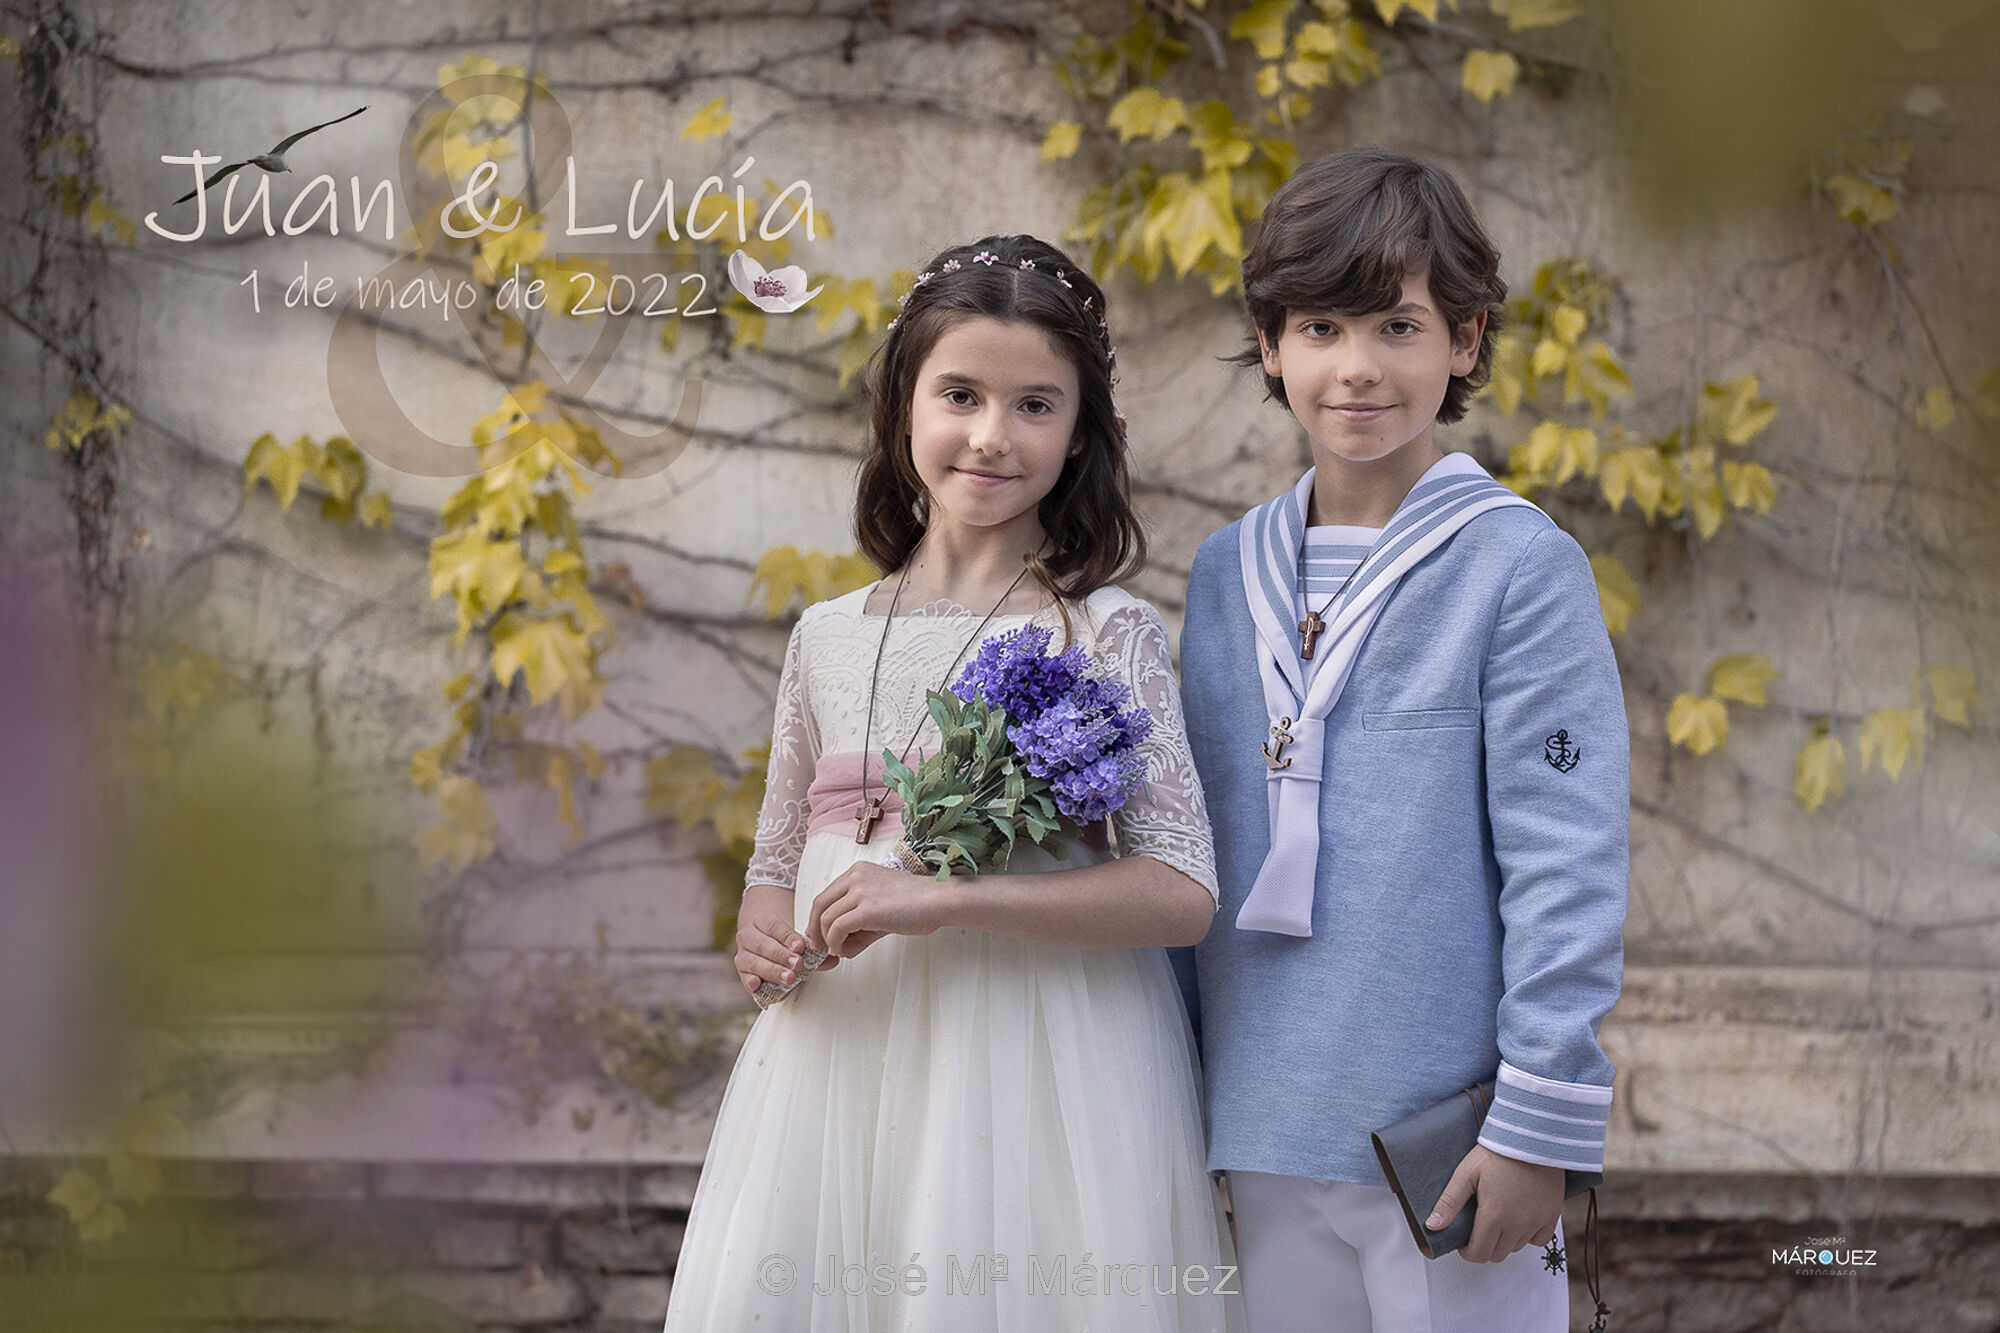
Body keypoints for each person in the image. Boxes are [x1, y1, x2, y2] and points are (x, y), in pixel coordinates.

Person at [662, 234, 1243, 1332]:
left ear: (1080, 436)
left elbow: (1180, 889)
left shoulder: (1101, 632)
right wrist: (762, 933)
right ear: (902, 409)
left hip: (1039, 1061)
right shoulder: (826, 636)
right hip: (839, 1068)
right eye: (960, 394)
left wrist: (945, 899)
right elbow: (777, 857)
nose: (990, 435)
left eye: (1034, 404)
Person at [1170, 148, 1629, 1332]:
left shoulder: (1518, 566)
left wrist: (1537, 1118)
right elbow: (1187, 841)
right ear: (1270, 345)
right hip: (1262, 1116)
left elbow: (1564, 857)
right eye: (1320, 326)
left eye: (1396, 324)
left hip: (1450, 1137)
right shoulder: (1224, 574)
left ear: (1463, 341)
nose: (1357, 367)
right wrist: (1172, 1092)